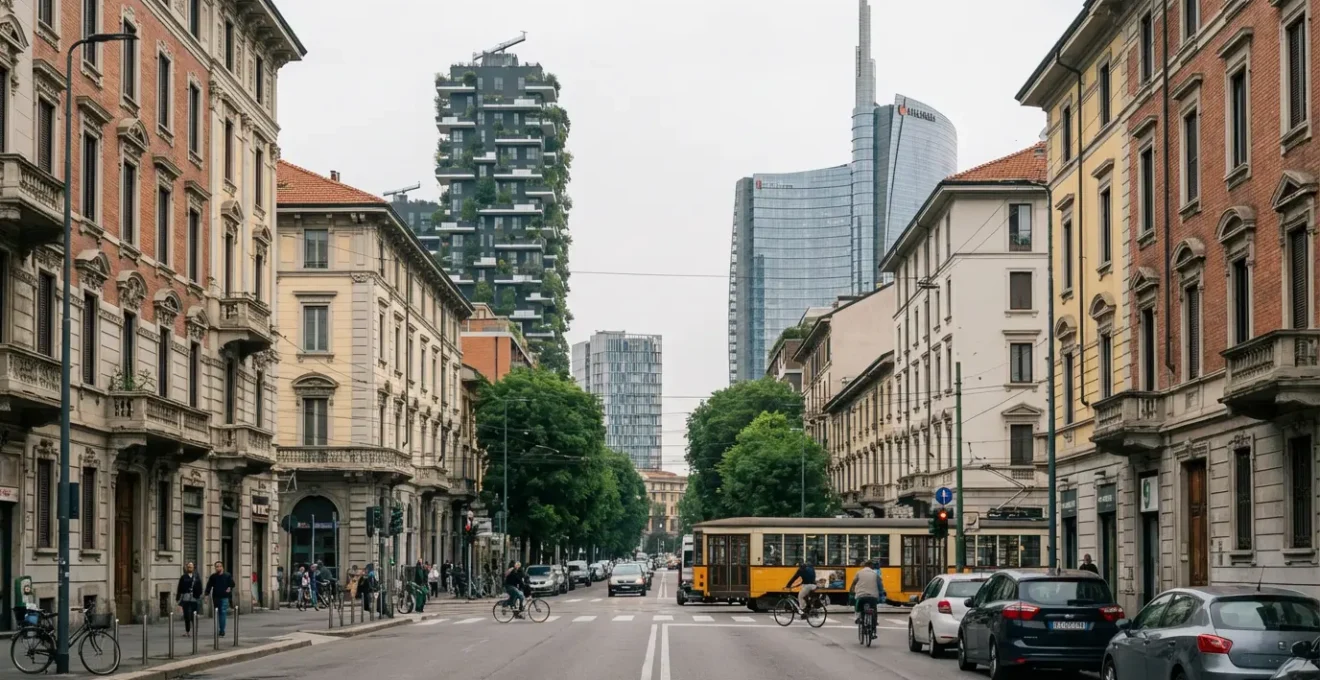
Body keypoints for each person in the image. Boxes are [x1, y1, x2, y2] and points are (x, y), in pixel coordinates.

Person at [204, 561, 234, 637]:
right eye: (217, 566)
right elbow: (209, 586)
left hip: (224, 597)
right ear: (215, 568)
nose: (218, 568)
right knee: (217, 613)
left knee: (223, 612)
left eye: (220, 566)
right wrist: (206, 595)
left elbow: (232, 584)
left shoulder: (227, 575)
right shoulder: (213, 577)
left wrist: (229, 588)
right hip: (216, 597)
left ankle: (222, 630)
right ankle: (218, 629)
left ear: (222, 567)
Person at [850, 560, 885, 624]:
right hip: (873, 596)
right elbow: (880, 586)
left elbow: (854, 583)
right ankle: (874, 622)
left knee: (858, 607)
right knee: (874, 608)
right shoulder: (875, 574)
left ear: (865, 565)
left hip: (861, 595)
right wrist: (881, 593)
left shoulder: (859, 573)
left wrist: (851, 591)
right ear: (871, 565)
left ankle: (858, 617)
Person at [176, 562, 202, 637]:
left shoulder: (196, 577)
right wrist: (178, 598)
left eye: (191, 567)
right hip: (186, 598)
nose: (189, 568)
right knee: (186, 616)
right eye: (188, 567)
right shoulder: (183, 577)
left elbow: (200, 587)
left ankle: (195, 631)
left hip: (194, 598)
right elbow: (179, 588)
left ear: (193, 568)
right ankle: (187, 631)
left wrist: (198, 595)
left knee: (194, 615)